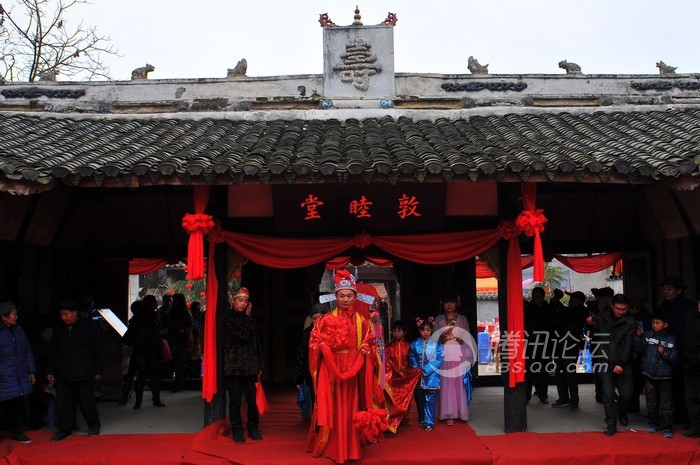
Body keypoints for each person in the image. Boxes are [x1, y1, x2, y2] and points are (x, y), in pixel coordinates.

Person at [307, 270, 380, 463]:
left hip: (353, 369)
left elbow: (369, 342)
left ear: (355, 297)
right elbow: (314, 342)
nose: (346, 299)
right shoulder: (325, 320)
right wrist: (323, 347)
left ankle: (351, 447)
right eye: (342, 296)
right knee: (334, 408)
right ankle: (334, 445)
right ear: (336, 296)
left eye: (349, 296)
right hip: (332, 371)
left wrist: (364, 350)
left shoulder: (361, 321)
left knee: (351, 407)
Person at [48, 299, 103, 441]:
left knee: (87, 401)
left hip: (84, 371)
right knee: (63, 402)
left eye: (66, 314)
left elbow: (98, 349)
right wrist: (51, 370)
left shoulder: (89, 326)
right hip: (63, 372)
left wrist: (98, 369)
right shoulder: (59, 328)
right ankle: (65, 428)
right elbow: (53, 350)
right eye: (61, 314)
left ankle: (93, 425)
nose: (63, 317)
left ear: (75, 313)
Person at [590, 293, 636, 436]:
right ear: (612, 306)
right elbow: (593, 335)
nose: (621, 312)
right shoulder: (602, 318)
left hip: (624, 363)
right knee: (608, 395)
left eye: (624, 309)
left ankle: (621, 411)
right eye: (618, 309)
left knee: (627, 394)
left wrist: (621, 363)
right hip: (605, 361)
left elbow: (628, 344)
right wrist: (589, 323)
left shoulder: (630, 322)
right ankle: (611, 423)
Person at [222, 287, 264, 444]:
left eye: (246, 301)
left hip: (250, 365)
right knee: (235, 401)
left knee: (252, 400)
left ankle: (253, 427)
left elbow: (256, 342)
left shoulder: (250, 319)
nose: (243, 303)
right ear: (233, 301)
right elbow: (243, 335)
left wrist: (260, 363)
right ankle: (237, 429)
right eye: (240, 300)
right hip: (234, 365)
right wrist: (247, 318)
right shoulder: (227, 319)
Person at [657, 275, 695, 425]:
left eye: (669, 289)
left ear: (678, 291)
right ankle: (669, 415)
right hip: (665, 348)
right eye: (664, 289)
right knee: (667, 384)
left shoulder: (689, 307)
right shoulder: (663, 306)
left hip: (682, 349)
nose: (665, 292)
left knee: (683, 385)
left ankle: (686, 416)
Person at [633, 310, 677, 438]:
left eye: (658, 323)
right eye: (653, 323)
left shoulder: (671, 338)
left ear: (665, 324)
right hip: (649, 374)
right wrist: (638, 337)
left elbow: (675, 358)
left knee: (666, 403)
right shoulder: (648, 335)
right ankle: (653, 423)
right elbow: (639, 349)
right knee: (651, 402)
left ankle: (667, 427)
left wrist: (664, 353)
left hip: (665, 376)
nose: (654, 325)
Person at [433, 292, 473, 425]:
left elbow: (467, 338)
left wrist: (468, 356)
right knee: (446, 382)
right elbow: (434, 339)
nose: (449, 305)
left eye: (452, 302)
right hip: (444, 353)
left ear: (456, 304)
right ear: (442, 304)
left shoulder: (462, 319)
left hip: (459, 352)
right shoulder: (438, 320)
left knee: (459, 382)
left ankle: (460, 412)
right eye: (446, 302)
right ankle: (449, 413)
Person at [0, 301, 36, 443]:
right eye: (14, 314)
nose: (16, 317)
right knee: (4, 404)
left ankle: (18, 432)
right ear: (4, 317)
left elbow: (27, 351)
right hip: (4, 375)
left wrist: (31, 371)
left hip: (20, 374)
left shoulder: (18, 329)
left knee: (19, 404)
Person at [551, 290, 587, 410]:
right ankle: (563, 397)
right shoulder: (571, 310)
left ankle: (574, 400)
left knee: (570, 374)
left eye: (572, 299)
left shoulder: (580, 311)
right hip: (561, 344)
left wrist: (556, 301)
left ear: (578, 301)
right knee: (560, 373)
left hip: (570, 346)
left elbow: (566, 314)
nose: (570, 301)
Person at [129, 295, 166, 409]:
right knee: (152, 376)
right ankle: (156, 399)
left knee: (142, 376)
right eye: (155, 302)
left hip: (143, 349)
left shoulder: (139, 316)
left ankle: (139, 402)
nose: (156, 304)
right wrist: (158, 333)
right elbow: (152, 330)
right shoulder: (152, 315)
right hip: (149, 349)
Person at [384, 320, 421, 431]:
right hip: (394, 376)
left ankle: (404, 417)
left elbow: (412, 360)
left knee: (406, 396)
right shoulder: (388, 347)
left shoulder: (409, 346)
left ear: (404, 332)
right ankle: (394, 415)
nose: (396, 333)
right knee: (395, 396)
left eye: (399, 331)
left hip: (405, 376)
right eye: (394, 331)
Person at [294, 303, 328, 420]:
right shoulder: (307, 334)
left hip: (329, 372)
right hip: (312, 372)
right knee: (315, 399)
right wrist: (299, 378)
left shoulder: (332, 332)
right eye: (314, 318)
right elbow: (301, 357)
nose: (317, 321)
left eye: (320, 318)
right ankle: (318, 423)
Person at [410, 317, 443, 432]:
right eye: (422, 330)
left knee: (430, 400)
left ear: (431, 330)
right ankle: (422, 419)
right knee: (419, 399)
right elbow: (412, 356)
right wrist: (415, 368)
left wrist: (425, 370)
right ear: (419, 330)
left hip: (432, 376)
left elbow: (439, 359)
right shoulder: (414, 344)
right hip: (418, 376)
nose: (425, 332)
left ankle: (429, 422)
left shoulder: (437, 344)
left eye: (428, 330)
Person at [524, 287, 553, 404]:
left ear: (542, 296)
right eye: (533, 295)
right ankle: (526, 396)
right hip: (530, 344)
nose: (535, 297)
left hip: (545, 344)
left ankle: (543, 395)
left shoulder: (548, 309)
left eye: (537, 295)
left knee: (543, 372)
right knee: (529, 372)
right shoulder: (527, 309)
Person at [678, 296, 700, 438]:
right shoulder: (690, 315)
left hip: (696, 360)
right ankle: (695, 427)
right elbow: (681, 335)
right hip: (689, 363)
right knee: (691, 398)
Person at [28, 322, 55, 429]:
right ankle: (35, 422)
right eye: (46, 332)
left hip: (53, 376)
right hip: (38, 376)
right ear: (42, 333)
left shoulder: (55, 344)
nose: (48, 335)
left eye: (51, 332)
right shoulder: (35, 345)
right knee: (36, 399)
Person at [168, 293, 193, 393]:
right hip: (174, 338)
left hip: (182, 339)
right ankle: (185, 375)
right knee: (177, 362)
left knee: (178, 362)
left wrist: (183, 330)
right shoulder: (172, 311)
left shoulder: (185, 312)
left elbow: (191, 325)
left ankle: (178, 383)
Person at [119, 300, 143, 405]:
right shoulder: (143, 321)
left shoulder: (133, 321)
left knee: (131, 374)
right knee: (140, 375)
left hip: (136, 350)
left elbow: (126, 337)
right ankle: (137, 399)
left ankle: (125, 396)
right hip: (142, 350)